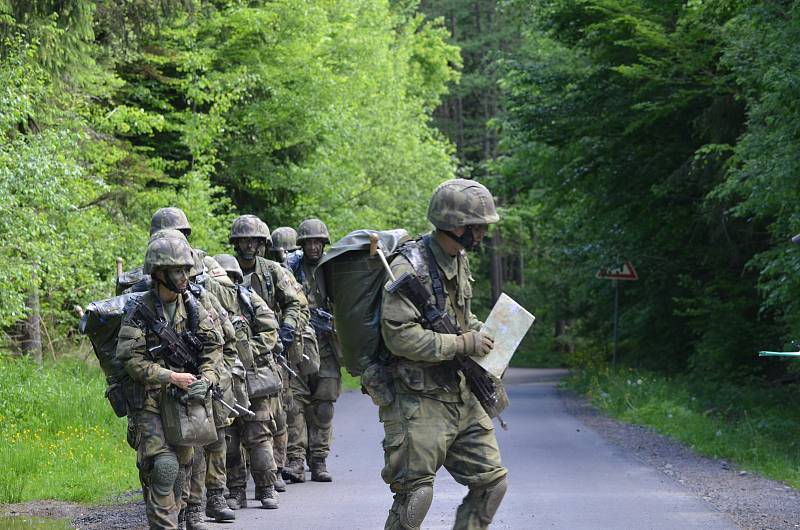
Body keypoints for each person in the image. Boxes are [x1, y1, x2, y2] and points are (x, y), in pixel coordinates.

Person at [377, 179, 508, 530]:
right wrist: (463, 344)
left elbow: (460, 317)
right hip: (420, 397)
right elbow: (400, 338)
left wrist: (484, 336)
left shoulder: (458, 258)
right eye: (477, 226)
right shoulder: (408, 267)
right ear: (456, 225)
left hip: (463, 394)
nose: (482, 233)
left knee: (492, 484)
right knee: (415, 497)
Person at [117, 235, 224, 530]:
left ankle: (169, 520)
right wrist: (171, 377)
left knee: (180, 473)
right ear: (159, 273)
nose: (184, 277)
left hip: (184, 403)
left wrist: (208, 378)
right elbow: (131, 359)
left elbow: (213, 346)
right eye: (176, 271)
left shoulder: (192, 307)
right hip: (149, 402)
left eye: (185, 270)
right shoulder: (139, 311)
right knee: (163, 468)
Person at [228, 215, 309, 492]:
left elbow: (297, 303)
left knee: (278, 412)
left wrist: (285, 330)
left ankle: (274, 468)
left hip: (273, 348)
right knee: (236, 416)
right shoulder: (224, 270)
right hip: (235, 349)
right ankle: (246, 474)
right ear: (236, 243)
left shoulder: (273, 271)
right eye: (244, 240)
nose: (250, 245)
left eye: (255, 240)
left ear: (263, 243)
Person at [285, 218, 341, 482]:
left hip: (328, 344)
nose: (314, 247)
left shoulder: (333, 268)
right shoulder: (289, 269)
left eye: (318, 242)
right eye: (309, 242)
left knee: (324, 406)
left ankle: (318, 460)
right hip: (298, 345)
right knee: (294, 404)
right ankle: (296, 460)